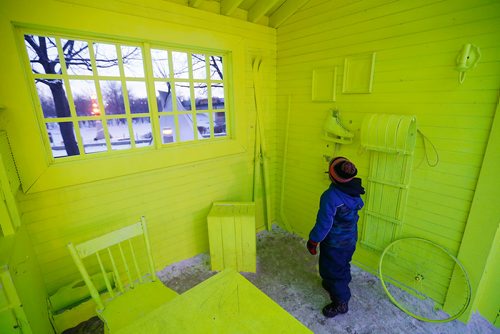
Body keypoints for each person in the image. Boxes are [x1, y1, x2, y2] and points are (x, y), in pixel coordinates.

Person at [306, 156, 365, 318]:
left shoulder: (330, 196)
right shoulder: (355, 190)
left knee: (332, 269)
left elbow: (324, 224)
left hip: (335, 243)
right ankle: (336, 283)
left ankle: (341, 302)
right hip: (350, 239)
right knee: (341, 264)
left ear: (332, 176)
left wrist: (313, 240)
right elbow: (359, 205)